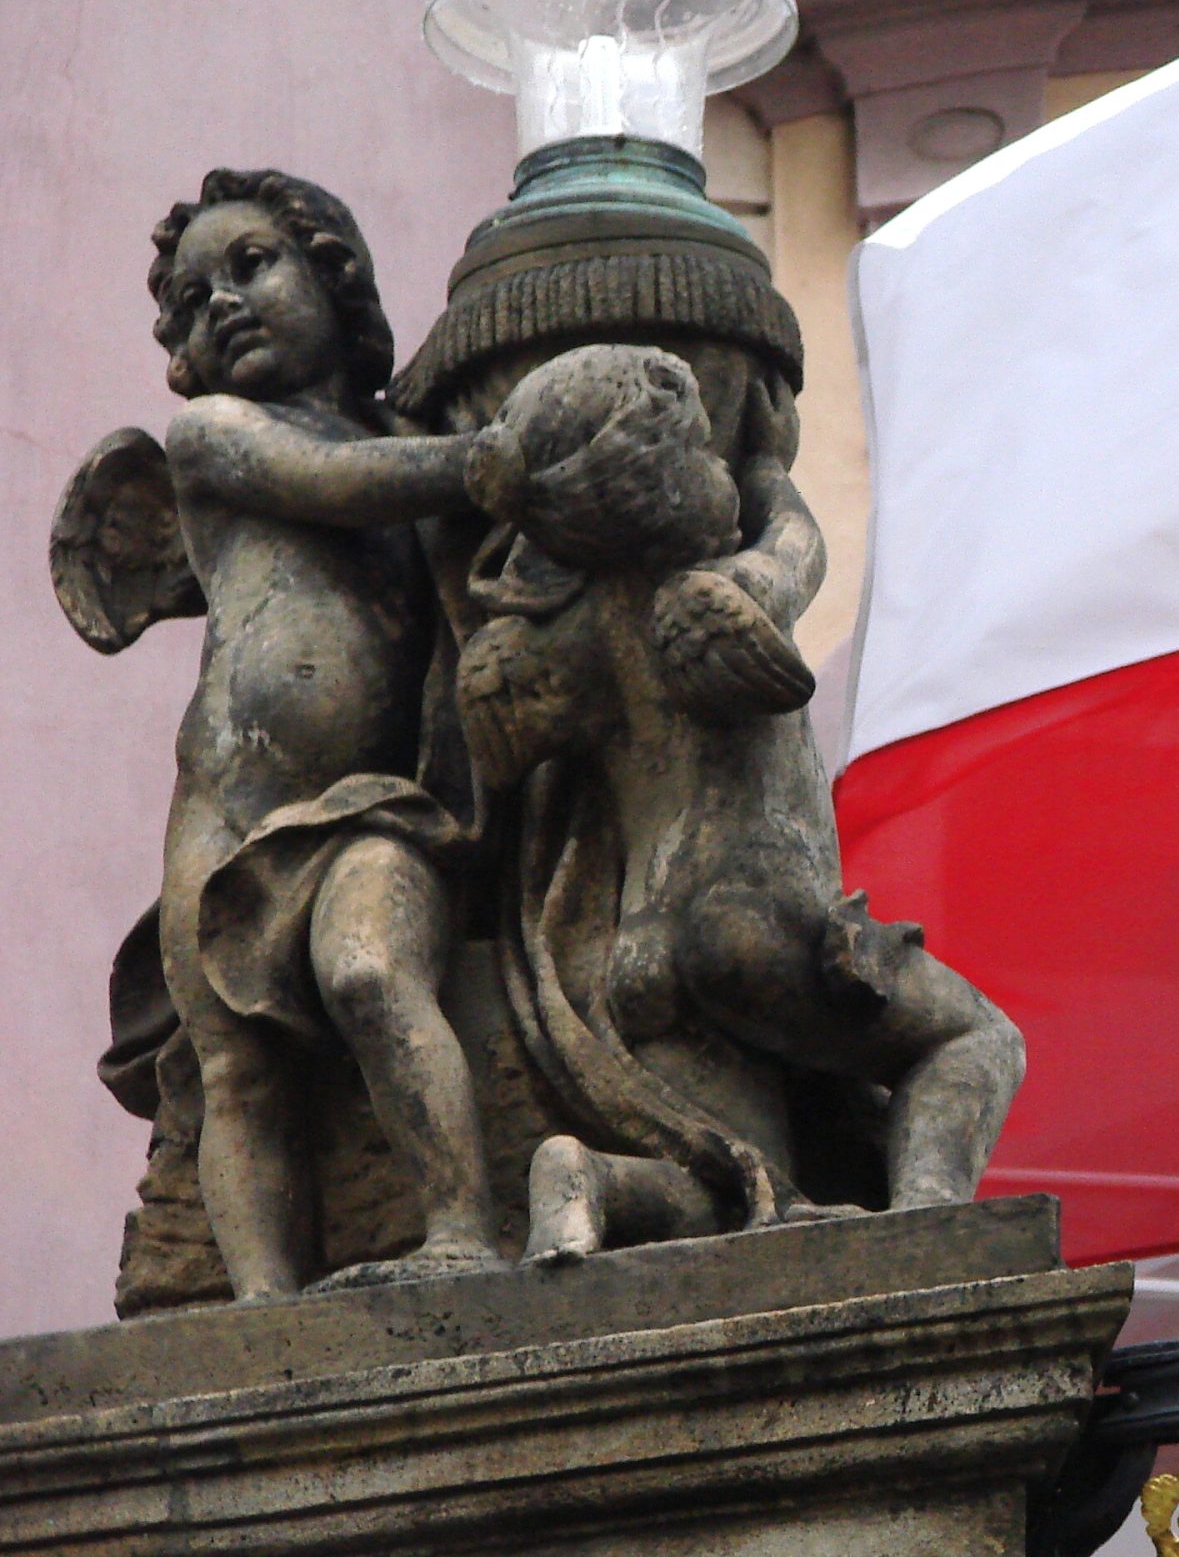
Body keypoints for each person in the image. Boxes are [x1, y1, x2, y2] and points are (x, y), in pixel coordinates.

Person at [444, 344, 1024, 1260]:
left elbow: (500, 749)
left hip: (638, 962)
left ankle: (581, 1176)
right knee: (979, 1040)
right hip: (747, 923)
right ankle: (923, 1231)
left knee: (731, 1197)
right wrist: (766, 463)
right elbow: (802, 545)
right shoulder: (719, 596)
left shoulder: (562, 644)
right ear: (667, 473)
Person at [57, 170, 505, 1300]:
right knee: (232, 1066)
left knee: (370, 970)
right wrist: (493, 459)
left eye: (253, 264)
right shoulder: (214, 437)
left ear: (334, 275)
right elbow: (341, 481)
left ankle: (459, 1231)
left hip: (376, 804)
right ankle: (264, 1306)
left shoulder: (412, 441)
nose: (223, 304)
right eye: (192, 300)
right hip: (222, 809)